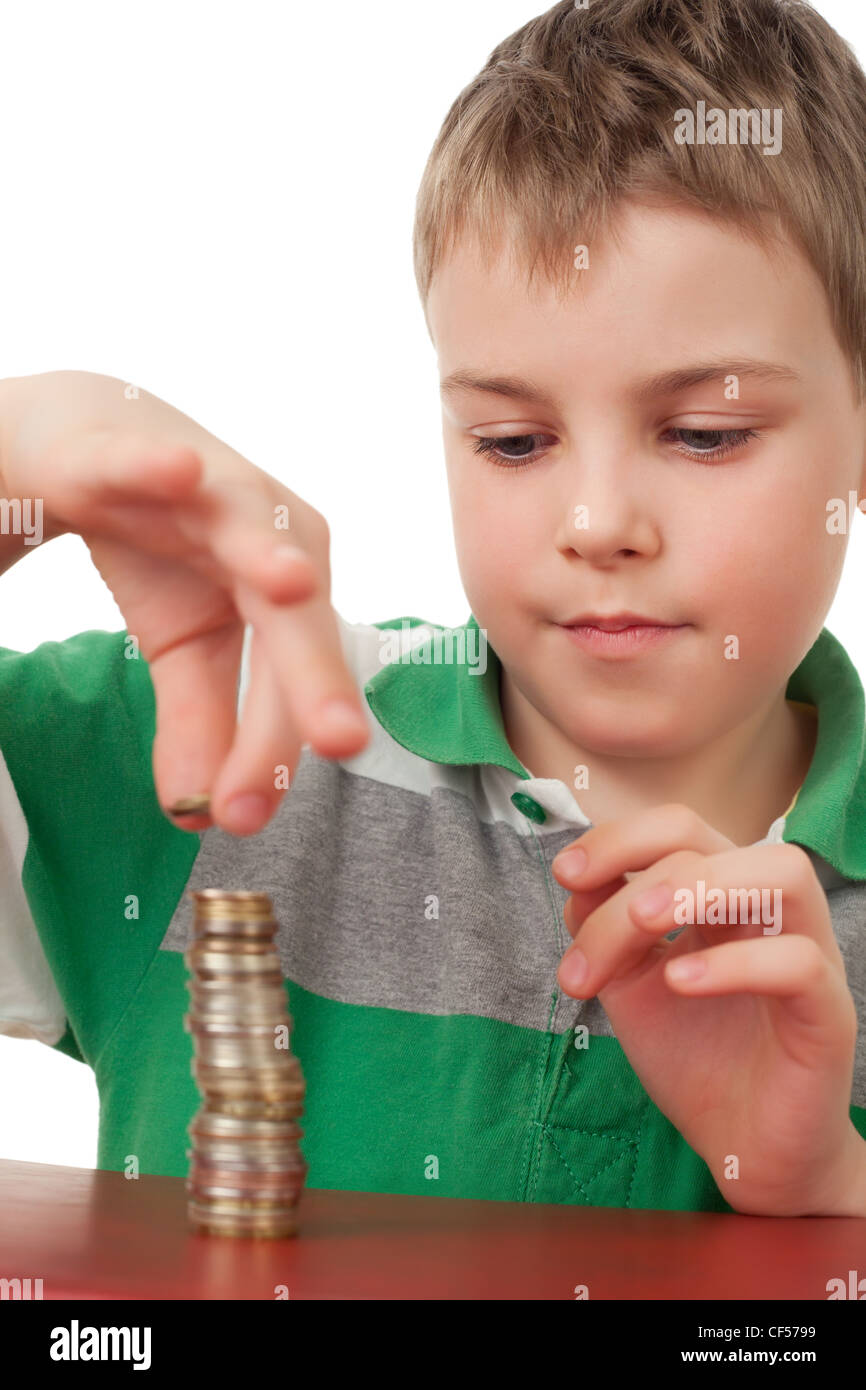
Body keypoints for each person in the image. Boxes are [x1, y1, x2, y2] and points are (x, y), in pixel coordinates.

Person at [2, 0, 866, 1215]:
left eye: (703, 432)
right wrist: (18, 442)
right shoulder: (224, 743)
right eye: (513, 441)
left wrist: (830, 1183)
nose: (595, 519)